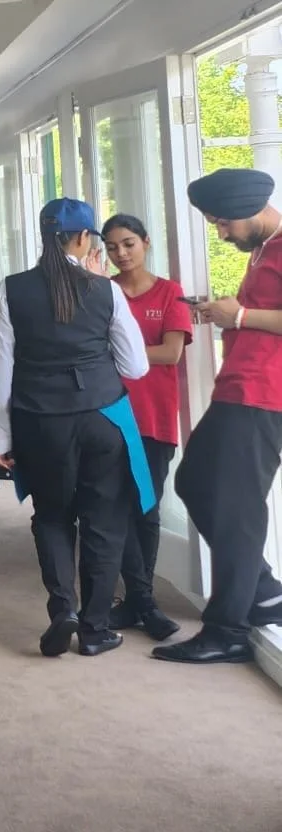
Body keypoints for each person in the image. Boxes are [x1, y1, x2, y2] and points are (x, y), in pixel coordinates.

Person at [0, 198, 152, 657]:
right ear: (84, 239)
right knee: (104, 521)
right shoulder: (105, 290)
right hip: (101, 417)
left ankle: (64, 612)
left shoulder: (10, 290)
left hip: (41, 423)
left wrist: (1, 438)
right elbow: (135, 366)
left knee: (53, 516)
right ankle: (96, 628)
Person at [157, 168, 282, 664]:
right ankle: (266, 591)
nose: (221, 232)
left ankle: (228, 628)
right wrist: (227, 313)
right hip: (241, 387)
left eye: (223, 222)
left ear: (253, 207)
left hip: (264, 394)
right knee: (195, 482)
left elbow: (259, 319)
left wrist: (242, 317)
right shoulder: (264, 249)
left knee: (237, 504)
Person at [100, 212, 191, 641]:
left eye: (128, 243)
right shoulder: (101, 292)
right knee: (115, 511)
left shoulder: (170, 293)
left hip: (153, 419)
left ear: (146, 242)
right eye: (113, 246)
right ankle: (143, 602)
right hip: (107, 415)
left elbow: (171, 353)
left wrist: (119, 349)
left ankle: (139, 601)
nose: (121, 253)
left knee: (146, 511)